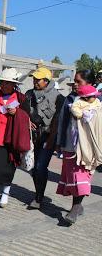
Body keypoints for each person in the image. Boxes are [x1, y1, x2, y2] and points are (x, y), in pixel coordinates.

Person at [56, 71, 101, 224]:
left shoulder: (98, 101)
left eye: (78, 81)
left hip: (88, 147)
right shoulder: (69, 98)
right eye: (74, 81)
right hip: (70, 144)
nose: (75, 84)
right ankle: (78, 207)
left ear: (89, 84)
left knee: (81, 176)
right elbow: (62, 121)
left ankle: (75, 208)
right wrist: (59, 142)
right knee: (72, 176)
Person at [0, 68, 31, 209]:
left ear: (14, 85)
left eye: (8, 83)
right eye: (3, 82)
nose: (5, 85)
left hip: (12, 140)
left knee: (8, 169)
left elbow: (27, 116)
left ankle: (5, 193)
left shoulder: (21, 99)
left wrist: (17, 113)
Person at [26, 67, 64, 209]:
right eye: (34, 78)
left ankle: (39, 197)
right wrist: (27, 121)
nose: (35, 81)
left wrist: (52, 140)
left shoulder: (58, 97)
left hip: (48, 137)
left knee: (41, 166)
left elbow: (59, 119)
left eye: (38, 79)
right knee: (34, 168)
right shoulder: (29, 94)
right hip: (32, 137)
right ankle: (38, 192)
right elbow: (23, 112)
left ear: (47, 81)